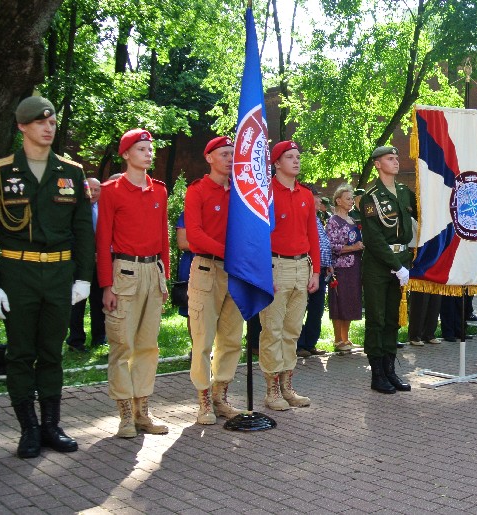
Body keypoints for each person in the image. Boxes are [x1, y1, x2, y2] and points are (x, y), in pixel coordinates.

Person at [0, 96, 93, 458]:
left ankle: (52, 425)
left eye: (51, 123)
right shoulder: (1, 171)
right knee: (21, 354)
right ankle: (28, 430)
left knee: (52, 352)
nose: (48, 128)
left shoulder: (71, 172)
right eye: (40, 122)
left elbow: (83, 230)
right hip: (17, 272)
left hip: (58, 272)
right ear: (22, 126)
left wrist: (83, 277)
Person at [97, 128, 170, 438]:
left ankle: (143, 411)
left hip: (152, 271)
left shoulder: (160, 191)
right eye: (141, 149)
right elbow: (102, 242)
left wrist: (163, 276)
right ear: (125, 154)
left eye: (150, 149)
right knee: (122, 345)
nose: (148, 154)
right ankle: (125, 414)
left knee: (147, 345)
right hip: (124, 272)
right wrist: (106, 285)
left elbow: (164, 238)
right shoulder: (111, 191)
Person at [185, 136, 247, 424]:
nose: (229, 158)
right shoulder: (197, 191)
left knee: (232, 338)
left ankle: (221, 395)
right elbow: (194, 234)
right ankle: (204, 401)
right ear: (209, 157)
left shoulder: (241, 192)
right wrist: (230, 253)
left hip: (235, 272)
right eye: (223, 154)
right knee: (203, 339)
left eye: (232, 154)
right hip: (207, 270)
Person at [257, 140, 318, 410]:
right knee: (272, 330)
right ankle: (271, 391)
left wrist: (315, 269)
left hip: (301, 266)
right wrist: (261, 273)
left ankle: (287, 386)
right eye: (290, 157)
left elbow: (312, 235)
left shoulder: (305, 195)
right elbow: (258, 236)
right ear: (276, 162)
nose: (296, 161)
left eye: (298, 157)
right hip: (275, 267)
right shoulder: (265, 192)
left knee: (292, 330)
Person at [359, 146, 416, 394]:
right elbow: (373, 239)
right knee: (377, 320)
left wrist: (405, 264)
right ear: (377, 164)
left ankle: (391, 370)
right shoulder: (371, 197)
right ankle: (377, 374)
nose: (396, 161)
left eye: (396, 157)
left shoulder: (404, 192)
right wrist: (397, 267)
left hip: (402, 260)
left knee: (393, 319)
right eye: (390, 159)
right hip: (378, 266)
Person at [67, 177, 106, 352]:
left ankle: (99, 338)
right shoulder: (72, 210)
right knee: (77, 303)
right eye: (89, 189)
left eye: (96, 189)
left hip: (100, 263)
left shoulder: (105, 210)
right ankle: (75, 341)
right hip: (78, 264)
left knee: (98, 302)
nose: (92, 193)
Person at [325, 184, 364, 351]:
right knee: (339, 301)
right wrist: (352, 248)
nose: (351, 201)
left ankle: (346, 338)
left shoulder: (352, 220)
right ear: (338, 201)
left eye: (352, 199)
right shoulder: (333, 221)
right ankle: (337, 340)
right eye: (348, 199)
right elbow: (331, 245)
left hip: (354, 265)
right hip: (340, 267)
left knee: (350, 300)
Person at [296, 184, 332, 358]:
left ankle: (310, 343)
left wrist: (328, 263)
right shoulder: (304, 217)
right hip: (306, 268)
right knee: (300, 308)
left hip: (322, 270)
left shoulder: (319, 218)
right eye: (316, 197)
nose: (319, 200)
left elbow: (323, 244)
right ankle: (299, 344)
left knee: (317, 310)